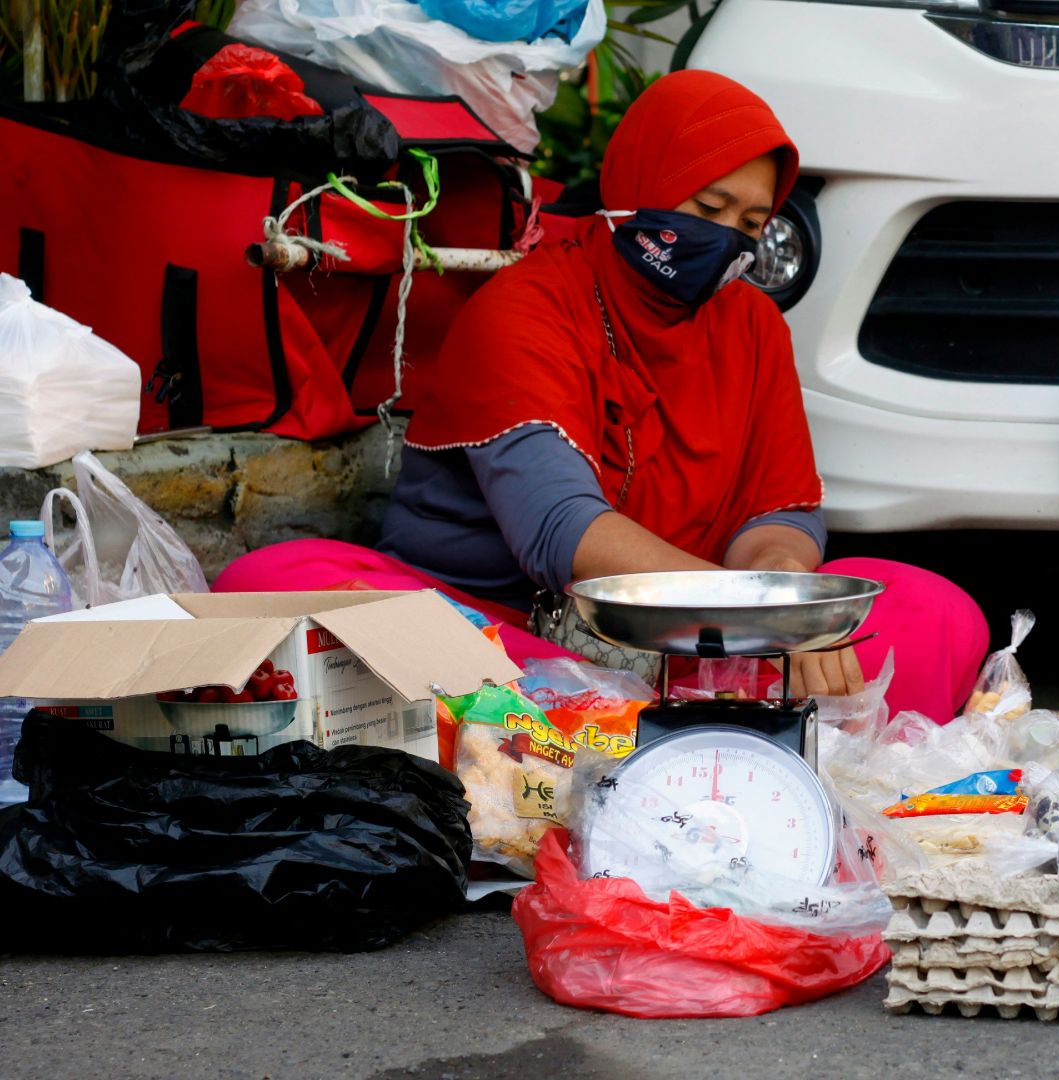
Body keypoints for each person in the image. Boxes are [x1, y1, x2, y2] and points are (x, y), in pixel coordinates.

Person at [215, 71, 988, 722]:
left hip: (700, 640)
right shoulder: (528, 306)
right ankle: (699, 722)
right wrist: (757, 615)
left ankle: (627, 718)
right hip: (505, 629)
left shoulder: (750, 323)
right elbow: (561, 532)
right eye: (707, 210)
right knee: (276, 587)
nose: (728, 240)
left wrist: (788, 600)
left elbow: (777, 513)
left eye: (752, 224)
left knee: (937, 613)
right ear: (639, 185)